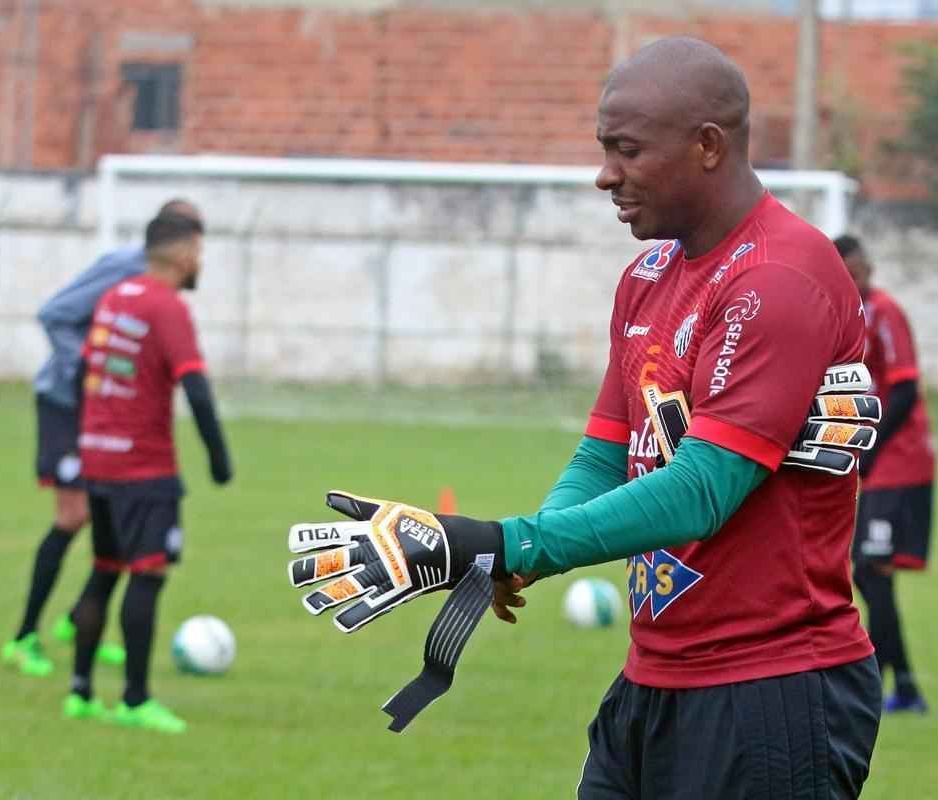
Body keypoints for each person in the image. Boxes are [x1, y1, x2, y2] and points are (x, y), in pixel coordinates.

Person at [286, 37, 883, 798]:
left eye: (627, 151)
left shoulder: (779, 276)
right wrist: (521, 553)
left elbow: (704, 488)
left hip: (768, 687)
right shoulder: (649, 275)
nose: (605, 175)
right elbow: (607, 450)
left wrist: (509, 540)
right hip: (653, 680)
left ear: (707, 146)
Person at [3, 199, 202, 677]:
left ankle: (79, 623)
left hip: (106, 413)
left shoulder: (158, 284)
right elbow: (54, 314)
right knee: (75, 515)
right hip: (67, 402)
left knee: (106, 515)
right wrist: (93, 365)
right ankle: (24, 638)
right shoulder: (124, 267)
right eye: (195, 239)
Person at [62, 212, 232, 733]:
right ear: (182, 255)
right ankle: (135, 700)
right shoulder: (168, 308)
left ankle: (81, 692)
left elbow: (83, 371)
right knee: (148, 574)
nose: (200, 262)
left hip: (99, 458)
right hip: (144, 465)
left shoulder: (115, 298)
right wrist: (218, 456)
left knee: (105, 568)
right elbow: (196, 387)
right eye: (199, 252)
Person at [836, 234, 936, 714]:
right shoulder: (844, 318)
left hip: (900, 463)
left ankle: (885, 688)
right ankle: (902, 690)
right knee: (873, 576)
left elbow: (907, 388)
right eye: (848, 273)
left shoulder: (884, 311)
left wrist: (871, 447)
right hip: (878, 464)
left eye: (860, 270)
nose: (858, 279)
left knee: (871, 572)